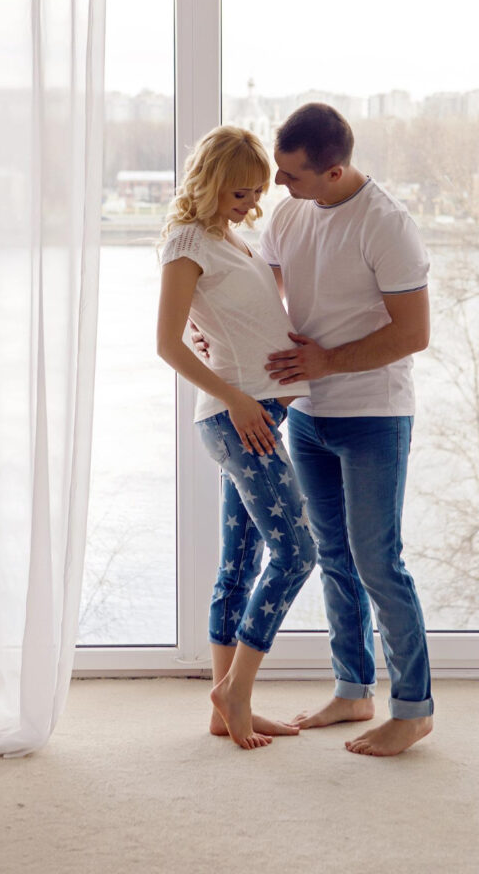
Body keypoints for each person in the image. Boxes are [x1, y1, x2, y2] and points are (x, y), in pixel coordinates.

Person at [260, 102, 434, 757]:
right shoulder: (289, 214)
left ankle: (413, 710)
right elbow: (263, 298)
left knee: (377, 563)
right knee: (331, 556)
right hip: (307, 415)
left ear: (333, 171)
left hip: (373, 416)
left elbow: (413, 334)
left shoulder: (387, 225)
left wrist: (326, 362)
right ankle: (353, 689)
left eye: (292, 174)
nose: (279, 184)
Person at [156, 125, 316, 751]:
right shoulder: (187, 241)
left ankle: (224, 709)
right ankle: (235, 693)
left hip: (256, 415)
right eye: (239, 193)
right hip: (238, 420)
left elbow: (230, 324)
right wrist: (238, 398)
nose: (251, 205)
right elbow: (168, 344)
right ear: (210, 182)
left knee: (240, 564)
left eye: (255, 193)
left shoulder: (230, 237)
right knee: (296, 553)